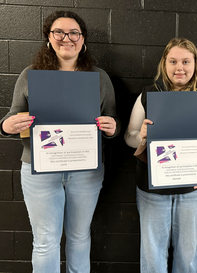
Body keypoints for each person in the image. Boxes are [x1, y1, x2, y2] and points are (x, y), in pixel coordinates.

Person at [0, 11, 120, 273]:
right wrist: (6, 126)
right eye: (59, 32)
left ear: (83, 38)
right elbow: (11, 117)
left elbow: (112, 120)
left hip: (85, 171)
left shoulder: (99, 78)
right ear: (49, 38)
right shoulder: (31, 74)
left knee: (79, 238)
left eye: (74, 32)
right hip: (39, 171)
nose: (67, 38)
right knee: (45, 242)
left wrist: (112, 128)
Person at [125, 38, 197, 273]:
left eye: (186, 61)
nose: (180, 67)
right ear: (164, 64)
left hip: (193, 187)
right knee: (152, 254)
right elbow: (128, 136)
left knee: (187, 255)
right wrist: (141, 136)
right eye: (174, 61)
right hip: (152, 188)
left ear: (195, 64)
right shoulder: (148, 95)